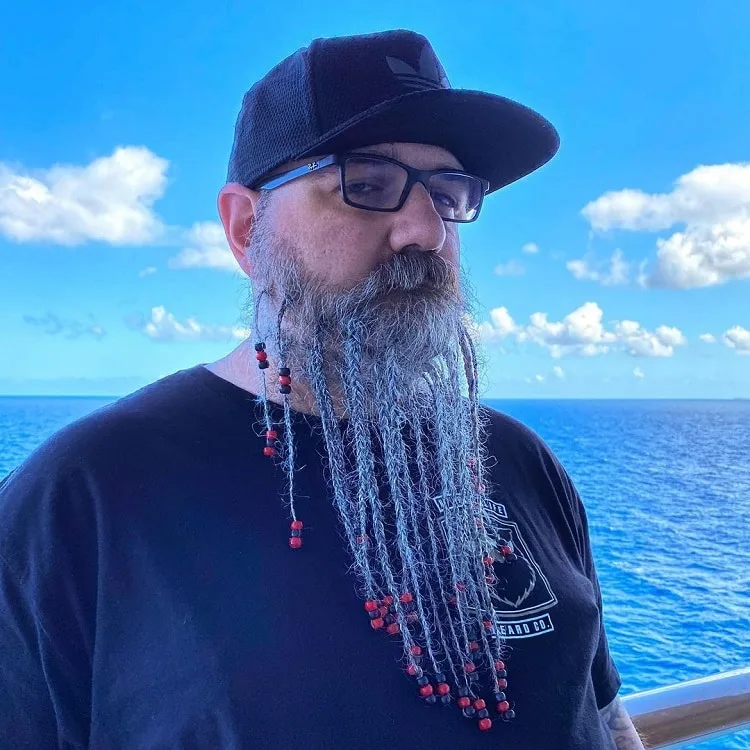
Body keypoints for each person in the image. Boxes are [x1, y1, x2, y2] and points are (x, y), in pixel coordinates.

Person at [0, 29, 647, 749]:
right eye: (365, 185)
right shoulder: (81, 498)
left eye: (450, 193)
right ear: (247, 228)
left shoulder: (520, 461)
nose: (425, 231)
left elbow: (605, 719)